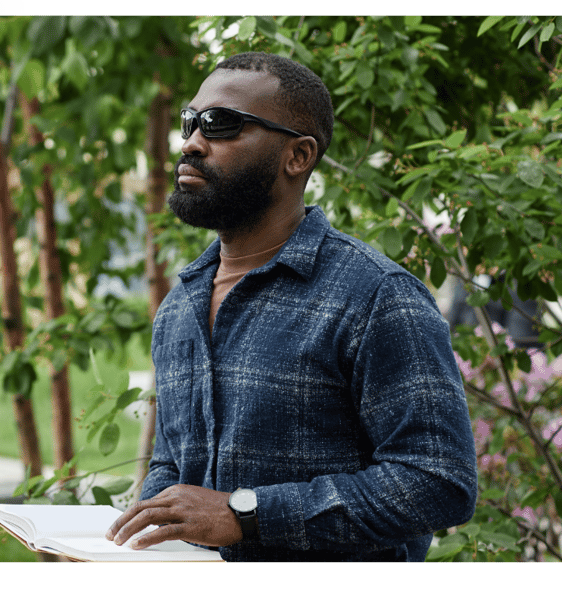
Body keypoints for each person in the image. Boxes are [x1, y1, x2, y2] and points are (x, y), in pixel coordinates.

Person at [105, 52, 478, 562]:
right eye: (191, 122)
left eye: (220, 124)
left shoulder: (375, 297)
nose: (191, 142)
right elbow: (174, 464)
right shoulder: (180, 305)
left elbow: (438, 481)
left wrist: (245, 513)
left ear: (298, 157)